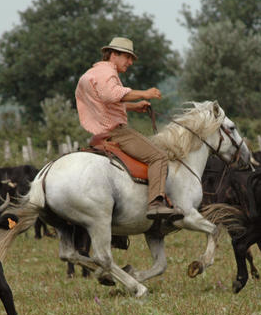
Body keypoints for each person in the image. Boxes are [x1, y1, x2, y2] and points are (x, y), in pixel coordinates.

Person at [75, 36, 181, 220]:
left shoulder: (92, 73)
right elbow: (111, 95)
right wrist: (145, 93)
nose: (130, 62)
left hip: (99, 134)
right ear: (114, 54)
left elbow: (103, 103)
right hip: (116, 132)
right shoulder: (107, 73)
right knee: (159, 157)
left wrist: (134, 105)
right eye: (127, 57)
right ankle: (156, 203)